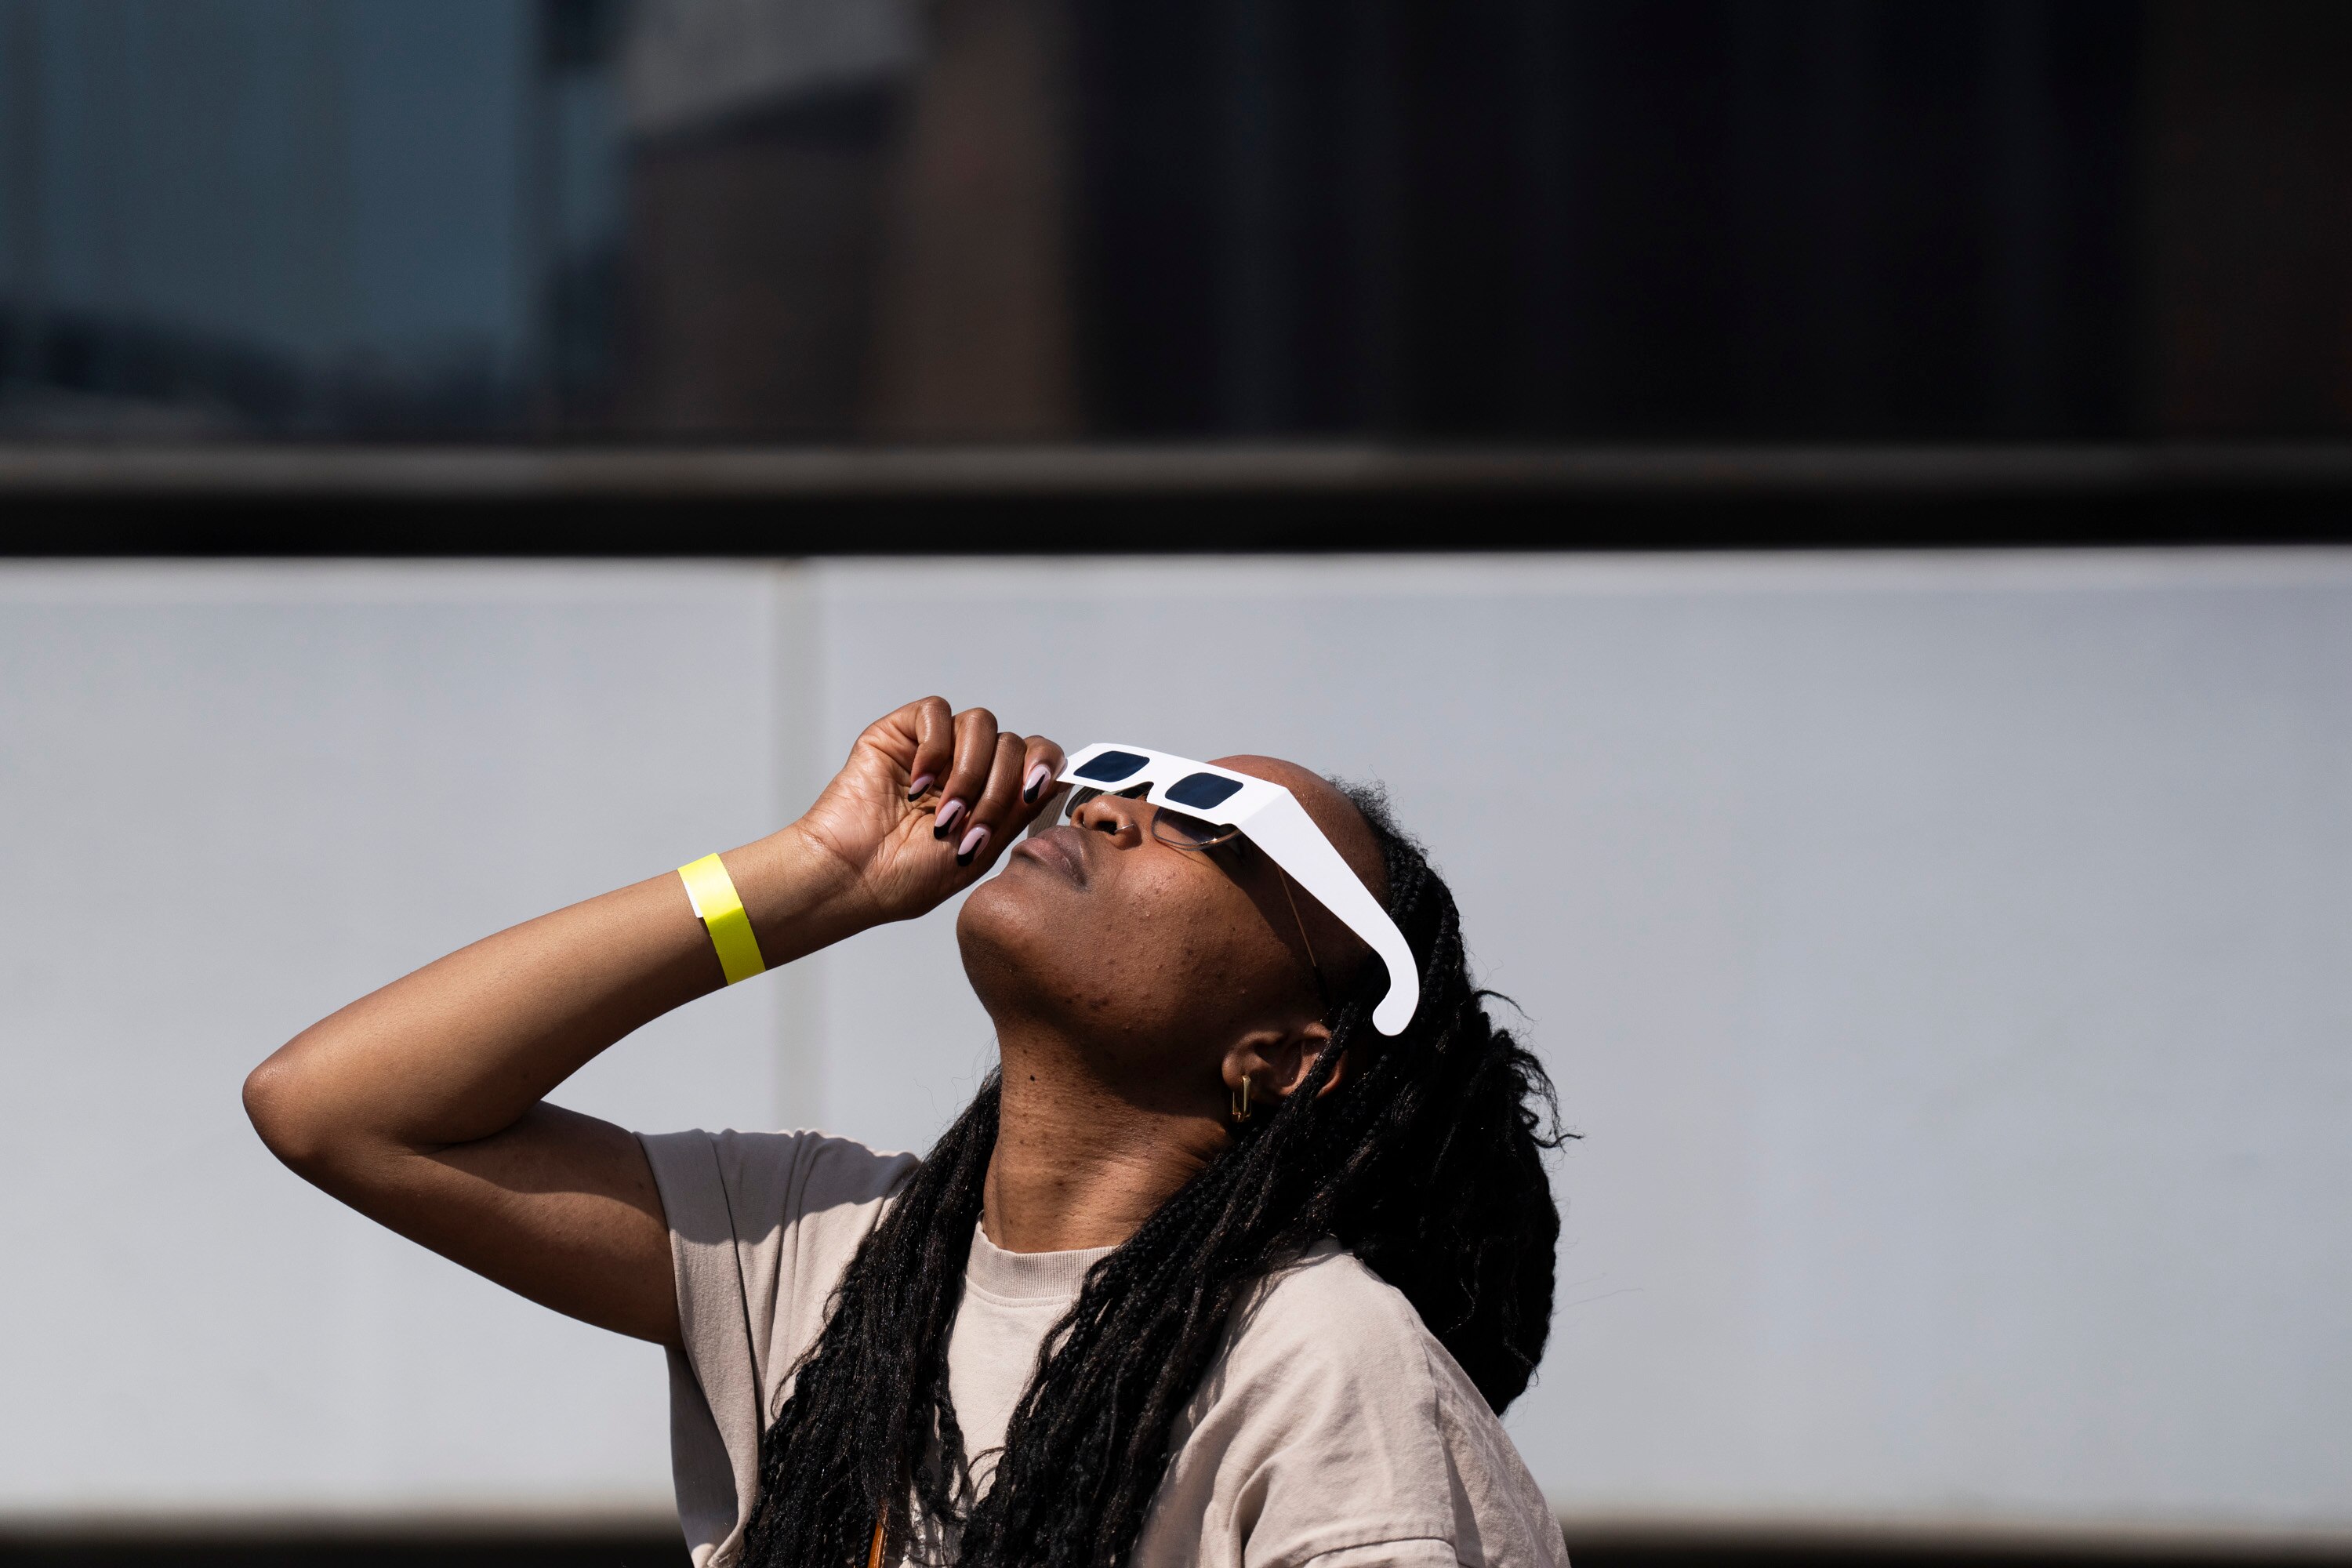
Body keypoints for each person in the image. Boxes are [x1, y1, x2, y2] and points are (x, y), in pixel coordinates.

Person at [245, 697, 1569, 1568]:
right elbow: (340, 1108)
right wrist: (806, 883)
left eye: (1223, 834)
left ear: (1282, 1058)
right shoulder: (825, 1254)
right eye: (1127, 777)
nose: (1109, 809)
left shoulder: (1325, 1367)